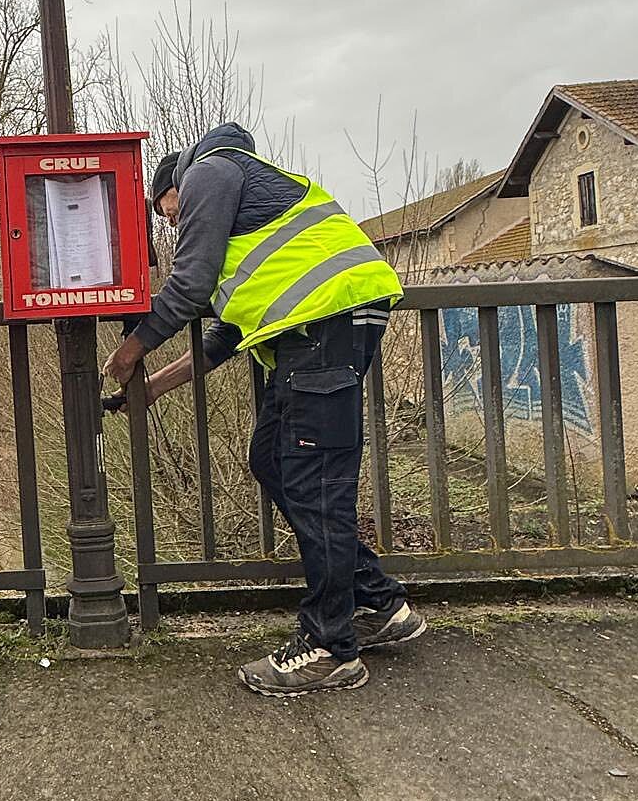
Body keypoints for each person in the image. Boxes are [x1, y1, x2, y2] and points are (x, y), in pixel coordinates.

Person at [103, 122, 425, 698]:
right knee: (273, 460)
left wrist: (132, 348)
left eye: (167, 211)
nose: (172, 223)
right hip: (319, 330)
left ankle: (330, 647)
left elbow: (189, 284)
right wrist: (153, 387)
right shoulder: (243, 203)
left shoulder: (208, 172)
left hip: (326, 324)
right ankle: (379, 604)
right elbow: (224, 336)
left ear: (174, 184)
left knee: (315, 483)